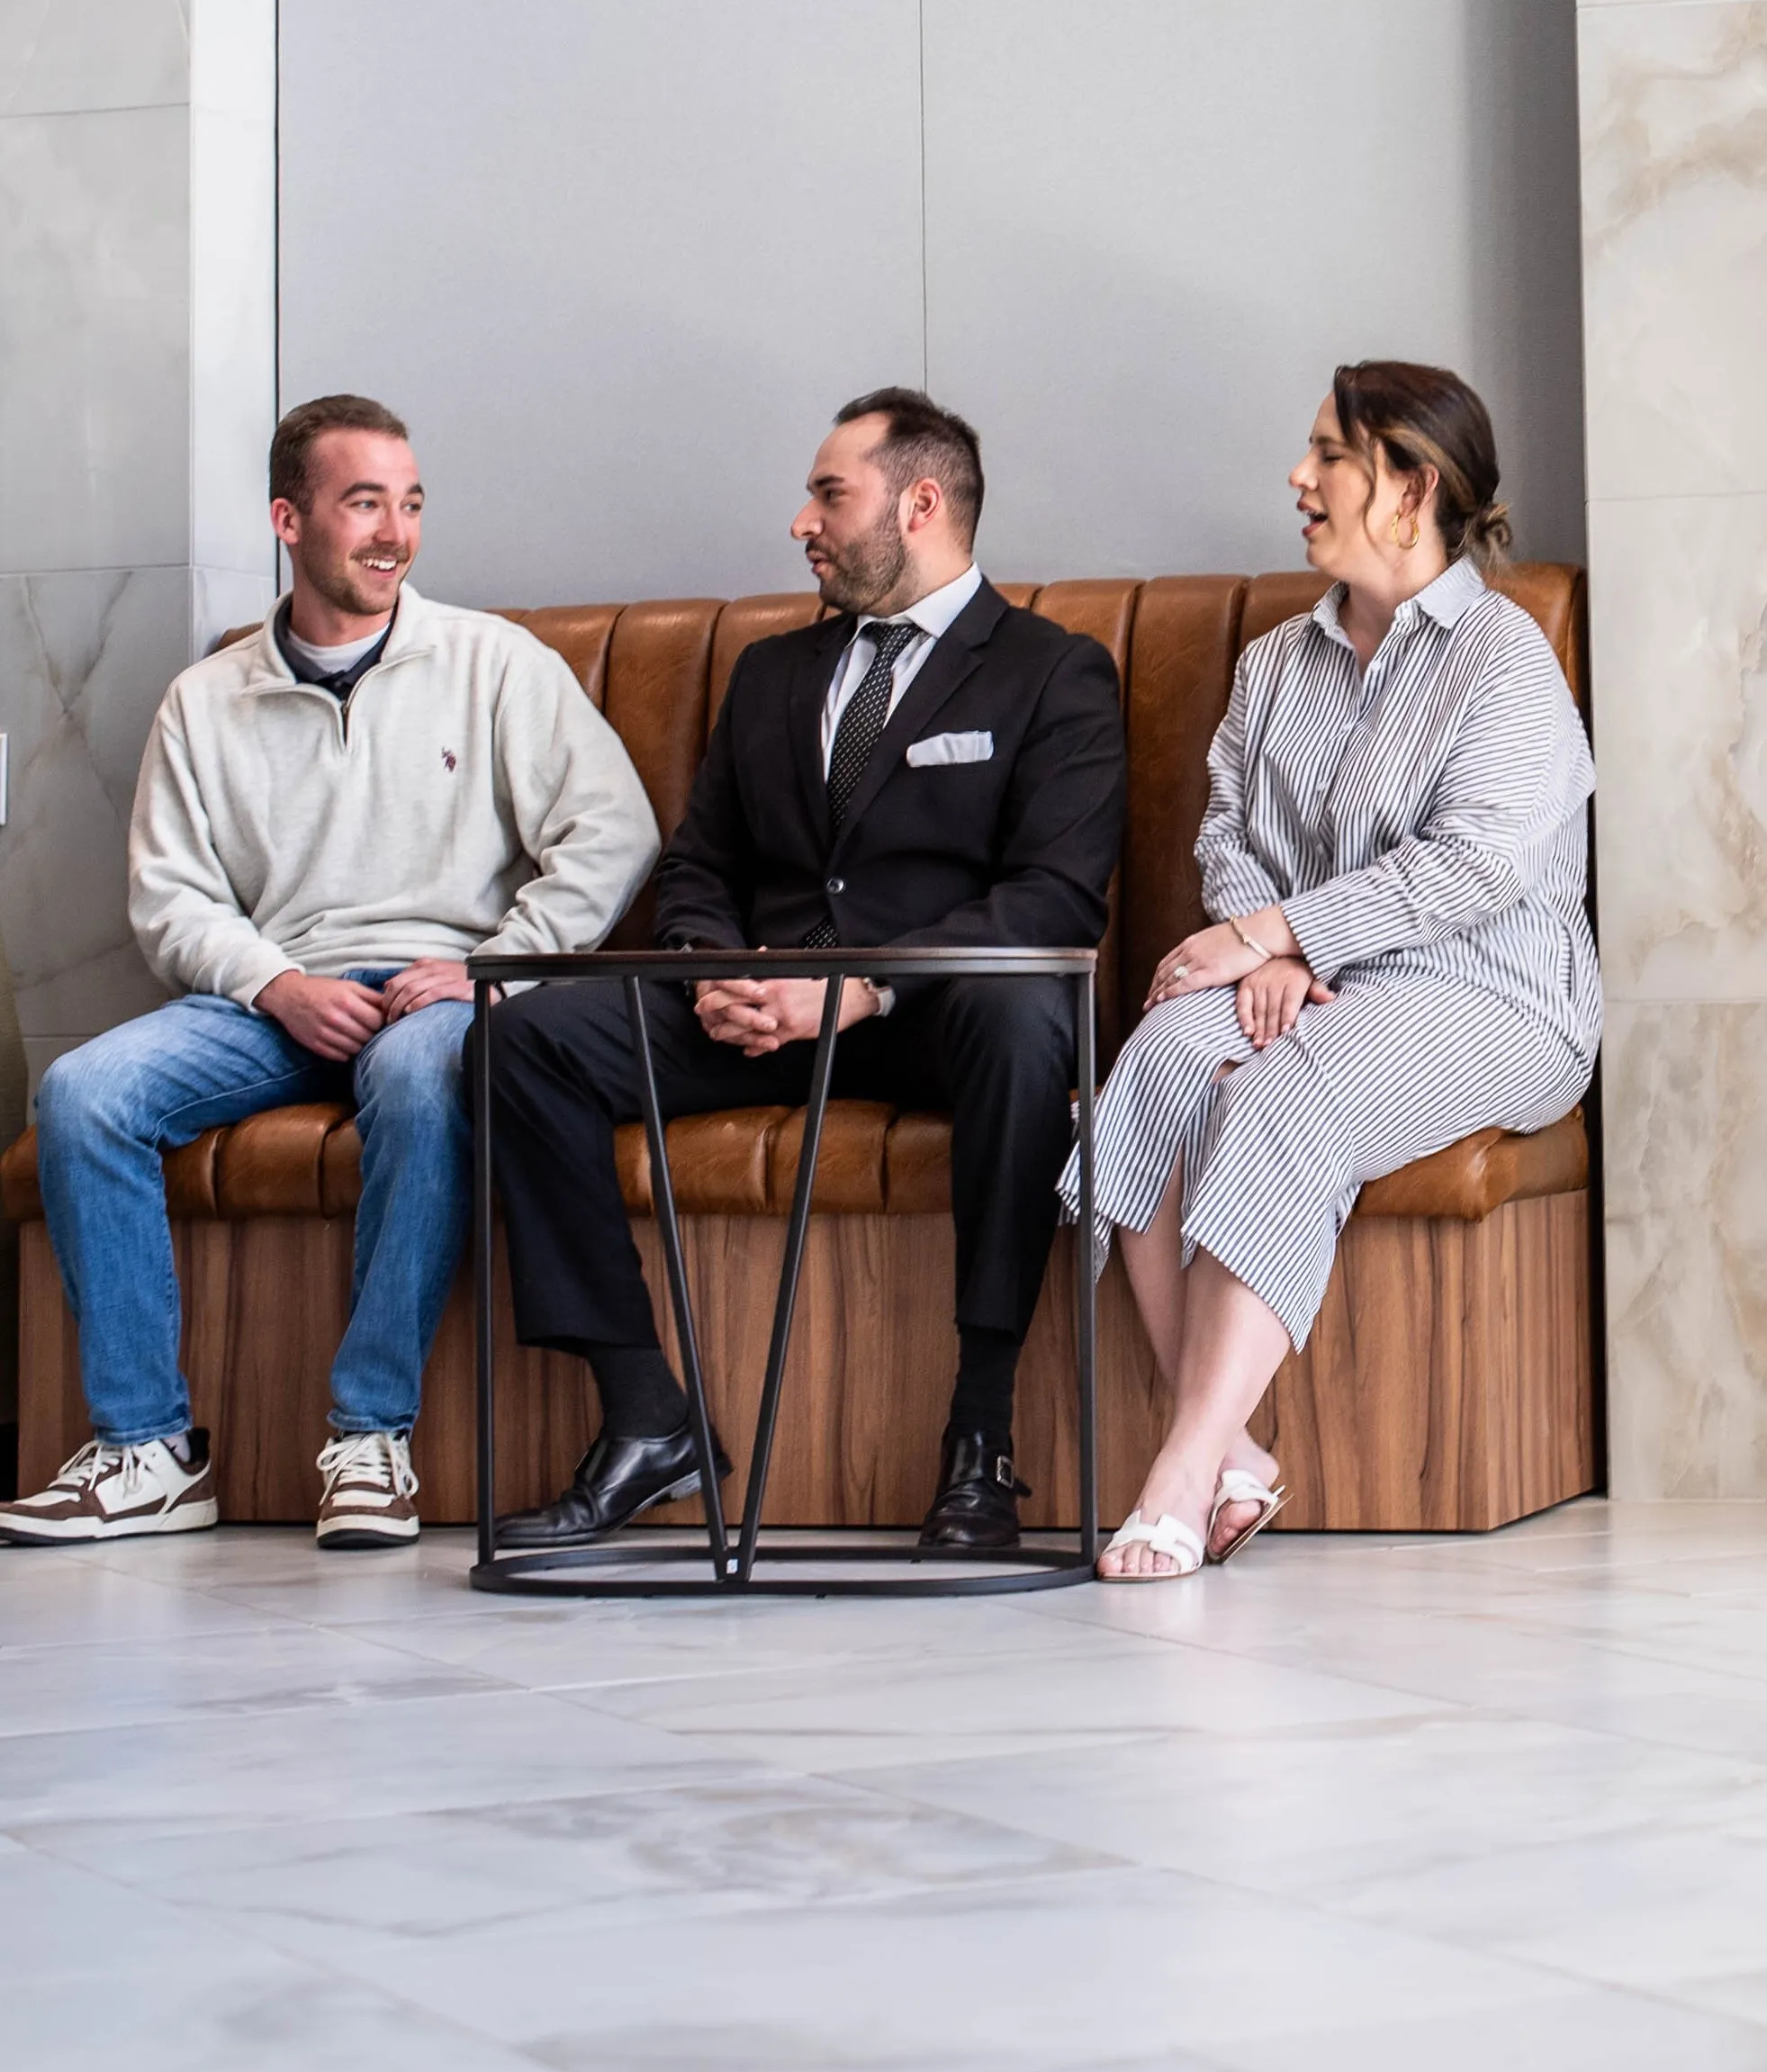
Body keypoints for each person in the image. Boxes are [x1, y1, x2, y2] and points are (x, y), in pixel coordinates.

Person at [1, 398, 655, 1550]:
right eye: (364, 503)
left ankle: (371, 1437)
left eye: (409, 502)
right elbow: (170, 895)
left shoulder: (493, 663)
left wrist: (484, 967)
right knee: (80, 1094)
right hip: (271, 999)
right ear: (285, 519)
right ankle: (147, 1449)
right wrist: (271, 983)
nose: (394, 530)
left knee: (417, 1078)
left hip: (435, 992)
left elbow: (613, 831)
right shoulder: (207, 698)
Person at [486, 389, 1125, 1555]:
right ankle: (642, 1412)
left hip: (928, 1020)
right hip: (756, 1010)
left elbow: (1052, 896)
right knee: (521, 1038)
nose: (801, 521)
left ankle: (980, 1437)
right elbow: (699, 864)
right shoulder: (773, 673)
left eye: (830, 493)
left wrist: (866, 985)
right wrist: (707, 972)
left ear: (919, 502)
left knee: (1027, 1014)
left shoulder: (1051, 672)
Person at [1082, 363, 1595, 1581]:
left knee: (1280, 1090)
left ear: (1410, 484)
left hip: (1495, 992)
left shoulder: (1501, 655)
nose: (1299, 480)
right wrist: (1268, 941)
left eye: (1330, 454)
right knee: (1149, 1065)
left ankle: (1180, 1467)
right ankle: (1240, 1453)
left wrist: (1285, 940)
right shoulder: (1273, 667)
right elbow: (1228, 841)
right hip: (1320, 988)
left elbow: (1475, 867)